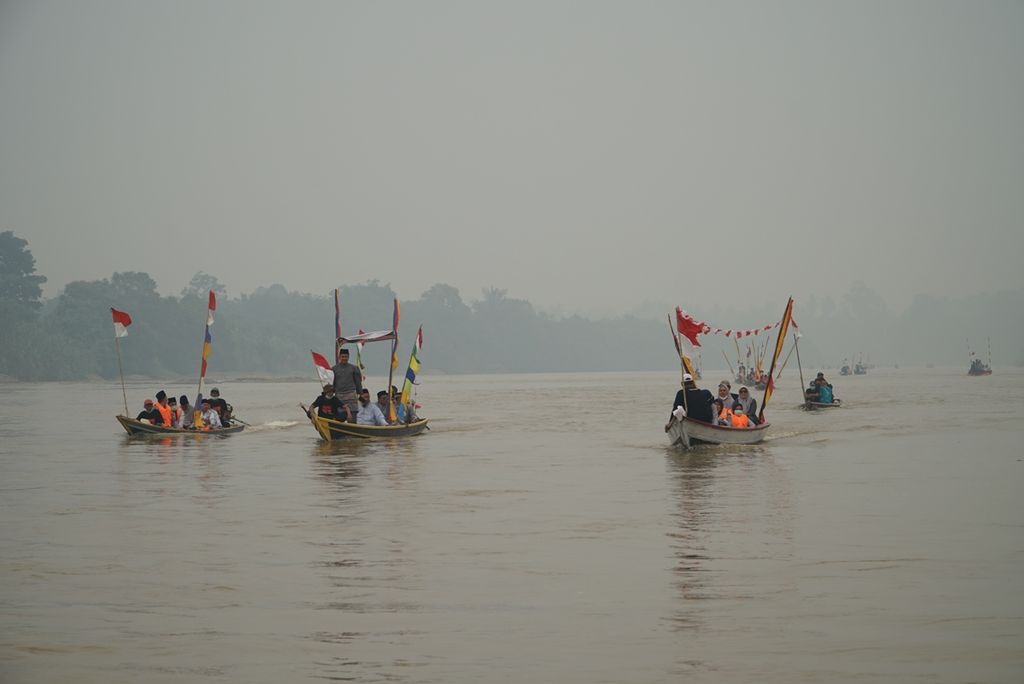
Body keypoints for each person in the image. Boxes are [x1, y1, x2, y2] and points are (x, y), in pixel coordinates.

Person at [332, 348, 362, 421]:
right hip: (339, 396)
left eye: (346, 357)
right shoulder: (334, 369)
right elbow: (332, 383)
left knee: (352, 418)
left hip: (351, 395)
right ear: (339, 357)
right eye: (343, 357)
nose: (344, 358)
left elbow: (358, 382)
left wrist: (360, 393)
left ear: (348, 357)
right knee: (339, 418)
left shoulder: (354, 368)